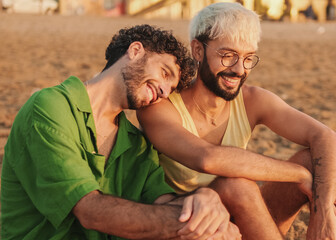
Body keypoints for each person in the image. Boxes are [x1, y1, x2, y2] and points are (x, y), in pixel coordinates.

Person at [138, 3, 336, 240]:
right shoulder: (160, 108)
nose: (239, 69)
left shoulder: (253, 100)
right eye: (228, 55)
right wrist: (300, 175)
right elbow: (208, 159)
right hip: (193, 226)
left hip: (246, 222)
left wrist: (323, 207)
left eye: (248, 58)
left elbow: (328, 137)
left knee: (320, 167)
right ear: (198, 51)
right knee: (237, 186)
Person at [1, 24, 241, 240]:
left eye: (171, 88)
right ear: (135, 51)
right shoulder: (51, 106)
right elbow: (89, 211)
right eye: (165, 73)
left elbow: (162, 199)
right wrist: (204, 226)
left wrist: (202, 199)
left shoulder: (136, 142)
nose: (165, 92)